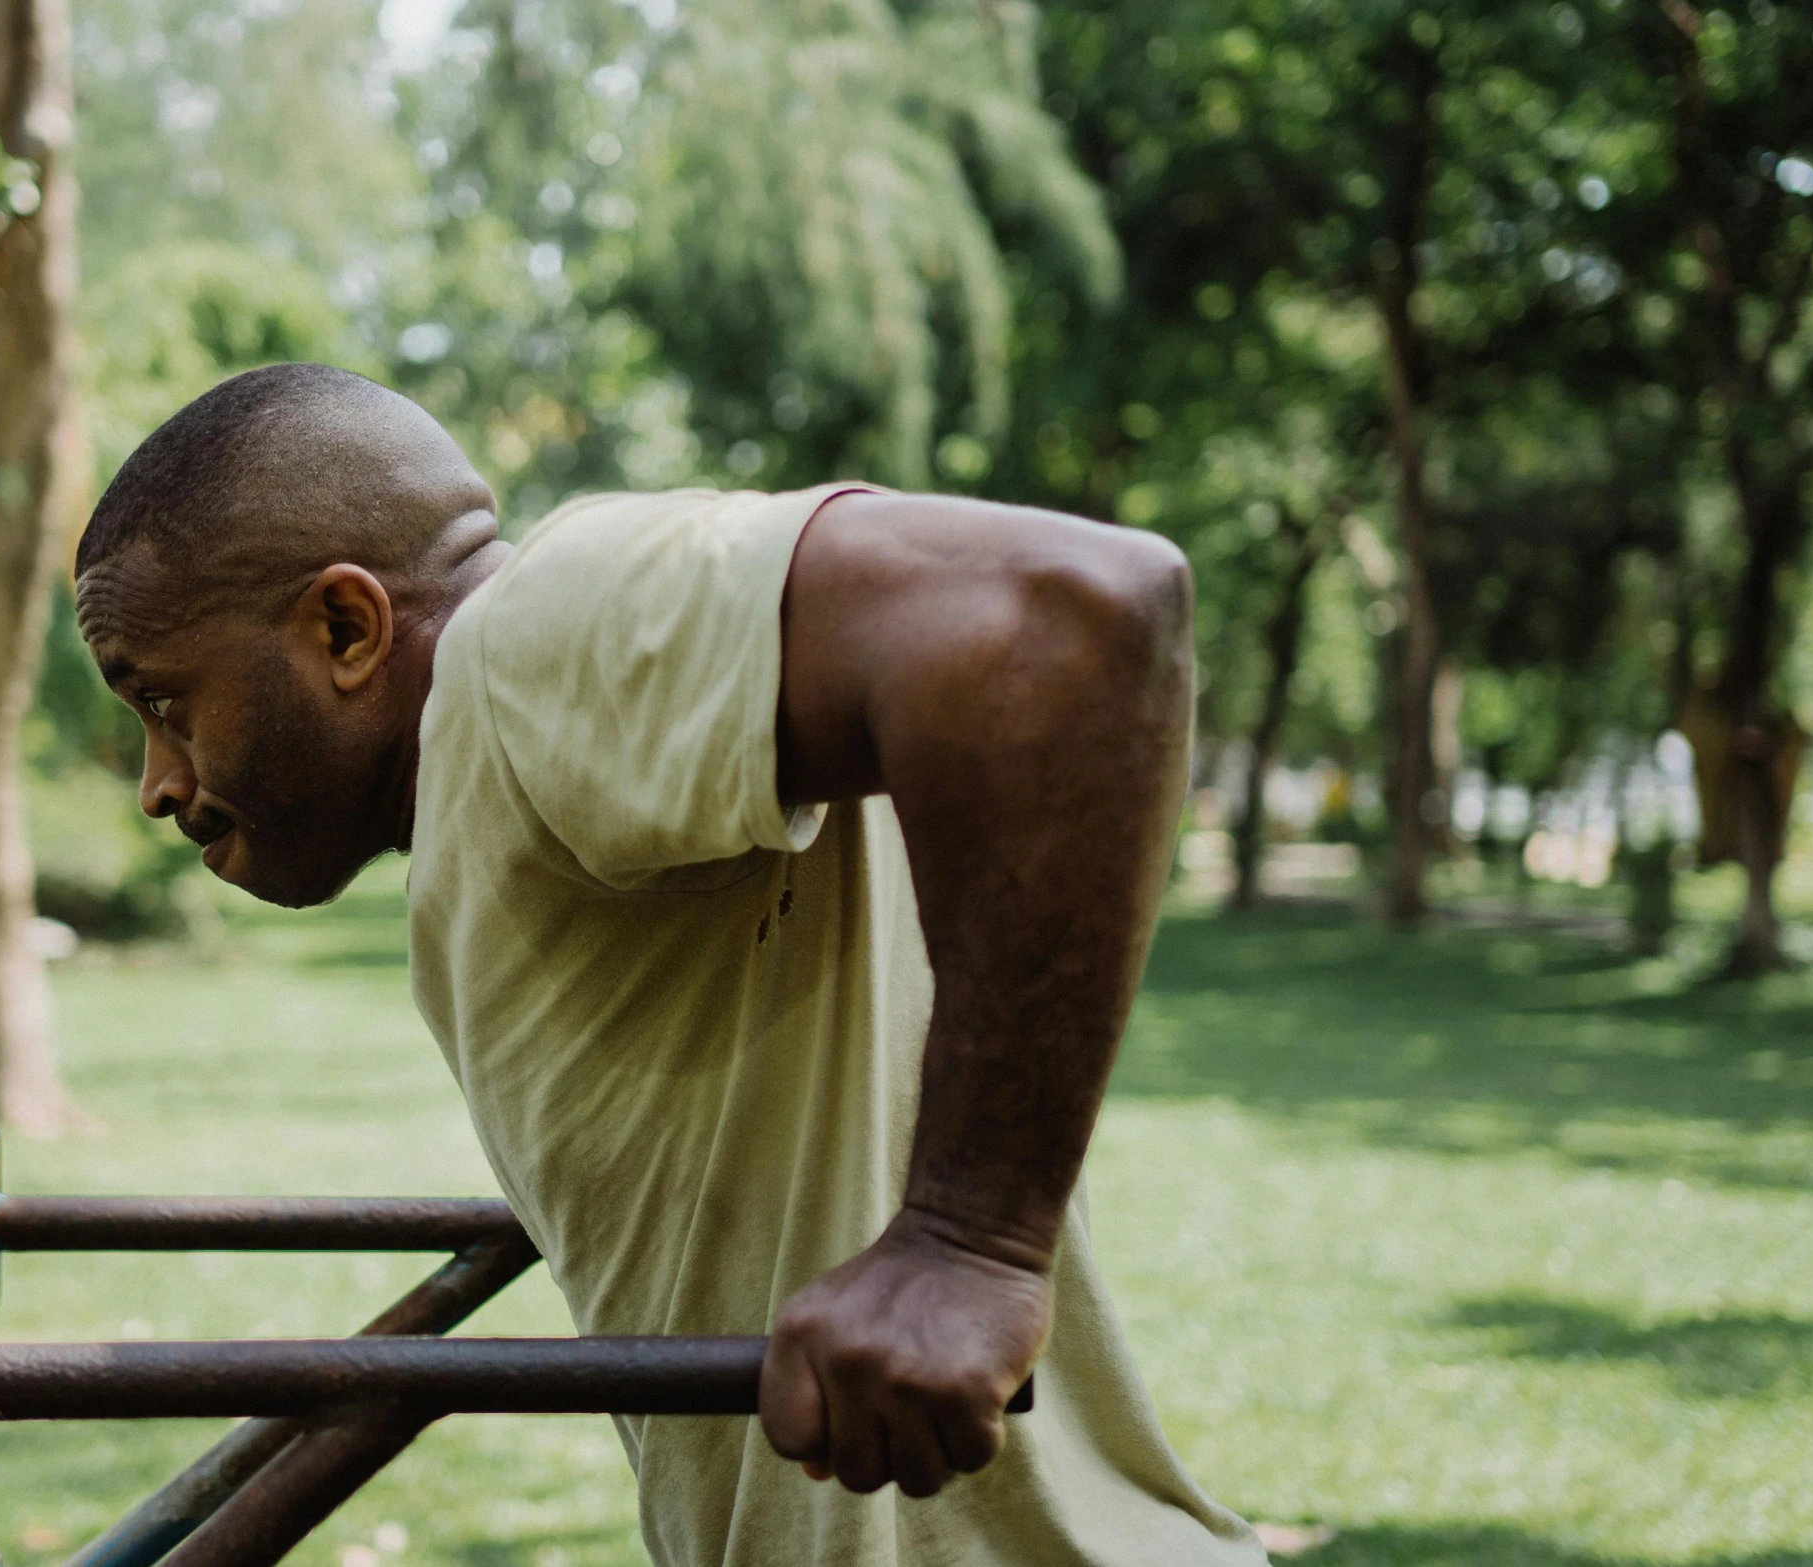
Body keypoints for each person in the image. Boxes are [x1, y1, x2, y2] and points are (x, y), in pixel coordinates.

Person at [73, 363, 1266, 1565]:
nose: (158, 782)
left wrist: (969, 1245)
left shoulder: (518, 651)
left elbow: (1077, 611)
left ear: (345, 625)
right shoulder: (496, 769)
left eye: (164, 700)